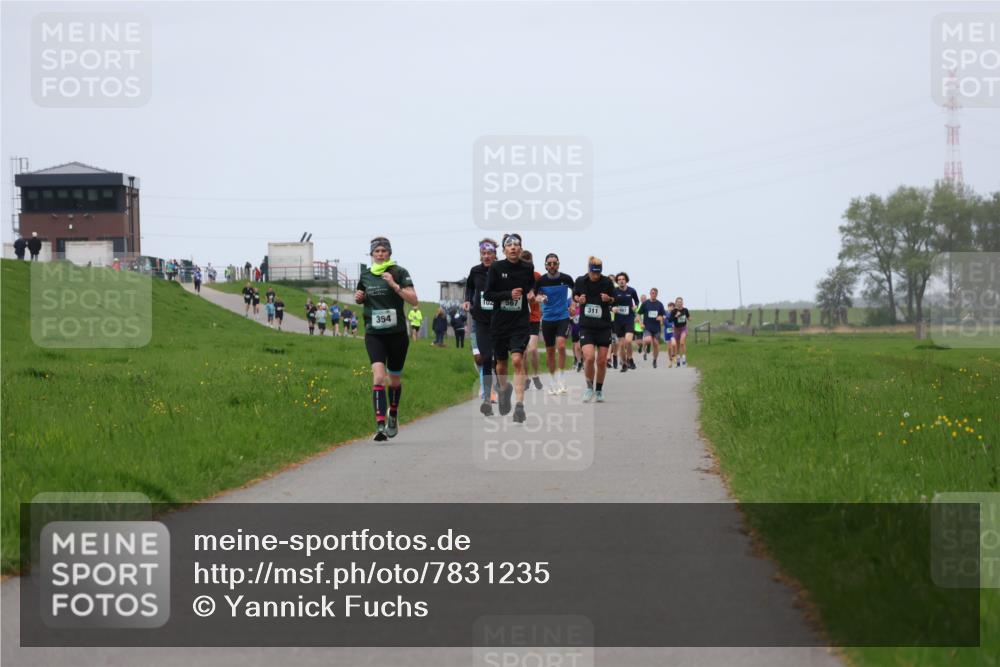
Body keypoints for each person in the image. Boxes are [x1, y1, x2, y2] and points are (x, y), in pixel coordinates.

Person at [355, 236, 419, 441]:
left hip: (397, 334)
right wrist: (359, 298)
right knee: (378, 377)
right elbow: (361, 296)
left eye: (384, 251)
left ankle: (393, 413)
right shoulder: (365, 276)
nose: (380, 254)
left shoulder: (400, 272)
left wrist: (394, 286)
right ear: (372, 254)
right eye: (377, 251)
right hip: (374, 334)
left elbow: (414, 300)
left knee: (395, 379)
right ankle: (380, 425)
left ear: (389, 253)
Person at [484, 233, 535, 423]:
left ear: (520, 249)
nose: (513, 247)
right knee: (501, 364)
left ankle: (520, 406)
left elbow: (532, 286)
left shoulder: (527, 267)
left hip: (520, 323)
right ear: (504, 250)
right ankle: (504, 391)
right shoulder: (496, 268)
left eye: (516, 245)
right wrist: (508, 295)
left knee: (517, 360)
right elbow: (488, 294)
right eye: (509, 245)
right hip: (499, 324)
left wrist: (530, 293)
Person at [464, 238, 498, 414]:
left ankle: (498, 386)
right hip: (481, 319)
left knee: (498, 359)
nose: (486, 257)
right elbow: (469, 288)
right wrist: (468, 301)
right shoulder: (475, 271)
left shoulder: (501, 270)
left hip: (500, 320)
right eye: (483, 254)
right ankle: (487, 397)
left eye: (489, 253)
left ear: (495, 254)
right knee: (486, 358)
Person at [574, 257, 614, 402]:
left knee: (602, 361)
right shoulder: (580, 281)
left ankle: (598, 390)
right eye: (593, 273)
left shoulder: (607, 282)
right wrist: (579, 300)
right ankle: (589, 387)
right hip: (587, 326)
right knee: (589, 357)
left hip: (603, 326)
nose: (596, 276)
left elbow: (614, 299)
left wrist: (608, 299)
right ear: (589, 269)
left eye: (598, 273)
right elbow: (575, 295)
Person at [534, 253, 575, 394]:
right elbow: (534, 296)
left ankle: (562, 379)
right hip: (547, 319)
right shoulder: (541, 281)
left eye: (554, 263)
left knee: (562, 346)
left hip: (563, 317)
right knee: (550, 352)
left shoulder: (566, 278)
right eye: (549, 263)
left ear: (558, 264)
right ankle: (552, 381)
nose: (552, 266)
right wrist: (540, 298)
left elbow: (575, 291)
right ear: (545, 265)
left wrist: (573, 304)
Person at [519, 250, 544, 391]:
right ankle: (526, 378)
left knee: (532, 349)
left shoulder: (537, 277)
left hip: (534, 317)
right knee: (522, 351)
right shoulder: (515, 277)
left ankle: (535, 375)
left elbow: (542, 295)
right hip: (519, 318)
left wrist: (538, 298)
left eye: (529, 263)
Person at [612, 272, 640, 373]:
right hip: (618, 320)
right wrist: (612, 308)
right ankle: (624, 364)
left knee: (628, 341)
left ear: (626, 280)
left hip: (629, 319)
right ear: (617, 281)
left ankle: (630, 358)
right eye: (619, 279)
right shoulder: (614, 291)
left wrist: (636, 305)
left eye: (623, 279)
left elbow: (637, 301)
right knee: (621, 344)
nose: (621, 281)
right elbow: (610, 304)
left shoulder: (632, 290)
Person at [637, 288, 668, 368]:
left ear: (657, 294)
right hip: (647, 326)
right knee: (648, 340)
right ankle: (644, 351)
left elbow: (664, 315)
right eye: (652, 293)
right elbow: (638, 314)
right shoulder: (646, 303)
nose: (653, 294)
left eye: (655, 293)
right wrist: (641, 323)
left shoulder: (659, 304)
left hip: (656, 328)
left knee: (656, 345)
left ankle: (654, 360)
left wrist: (661, 318)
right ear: (650, 293)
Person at [671, 296, 691, 367]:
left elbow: (689, 317)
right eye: (678, 302)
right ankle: (678, 358)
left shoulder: (685, 310)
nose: (680, 303)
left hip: (683, 329)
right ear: (676, 303)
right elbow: (670, 319)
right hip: (676, 330)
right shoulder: (674, 311)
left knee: (682, 343)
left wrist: (690, 318)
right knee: (677, 345)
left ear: (682, 303)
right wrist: (676, 316)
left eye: (681, 302)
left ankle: (684, 357)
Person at [569, 300, 583, 372]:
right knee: (576, 346)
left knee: (580, 346)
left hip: (582, 329)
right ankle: (578, 361)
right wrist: (570, 316)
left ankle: (581, 361)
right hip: (574, 329)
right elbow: (569, 315)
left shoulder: (582, 306)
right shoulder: (571, 306)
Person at [664, 301, 677, 366]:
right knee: (669, 348)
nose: (671, 308)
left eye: (672, 307)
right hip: (667, 331)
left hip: (673, 331)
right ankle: (670, 361)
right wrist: (670, 325)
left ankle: (674, 355)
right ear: (668, 307)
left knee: (674, 344)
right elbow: (665, 322)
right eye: (670, 307)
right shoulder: (665, 313)